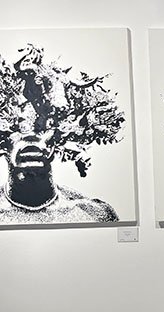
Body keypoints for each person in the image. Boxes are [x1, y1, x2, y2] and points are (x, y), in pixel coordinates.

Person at [0, 44, 123, 224]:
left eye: (44, 123)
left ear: (62, 133)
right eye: (17, 124)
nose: (31, 135)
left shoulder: (95, 215)